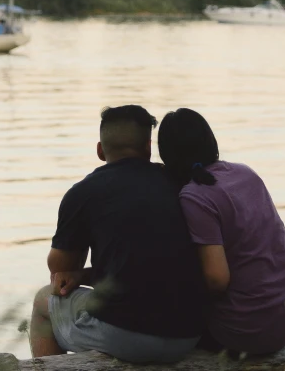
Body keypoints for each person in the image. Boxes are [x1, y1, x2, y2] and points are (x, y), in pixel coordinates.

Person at [29, 105, 205, 363]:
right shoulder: (180, 182)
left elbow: (59, 270)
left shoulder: (83, 193)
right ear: (148, 147)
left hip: (126, 337)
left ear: (100, 150)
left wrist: (77, 265)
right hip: (190, 333)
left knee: (43, 302)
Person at [158, 108, 285, 356]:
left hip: (247, 331)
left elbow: (217, 280)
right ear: (210, 141)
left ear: (166, 156)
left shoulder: (194, 196)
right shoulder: (246, 173)